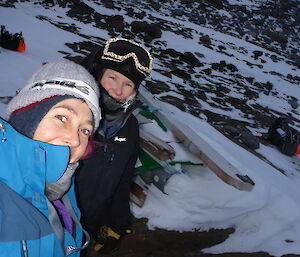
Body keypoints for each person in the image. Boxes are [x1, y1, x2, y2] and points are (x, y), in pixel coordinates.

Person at [0, 60, 101, 257]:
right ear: (27, 117)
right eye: (62, 118)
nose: (74, 140)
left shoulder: (64, 194)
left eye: (85, 130)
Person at [75, 37, 153, 254]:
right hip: (53, 222)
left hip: (88, 226)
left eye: (128, 84)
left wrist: (117, 224)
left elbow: (122, 179)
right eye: (112, 78)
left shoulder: (129, 127)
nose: (118, 91)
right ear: (96, 75)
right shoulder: (70, 115)